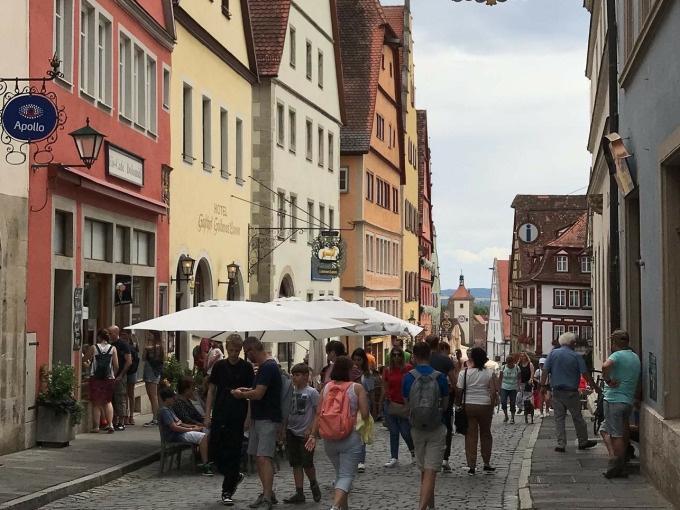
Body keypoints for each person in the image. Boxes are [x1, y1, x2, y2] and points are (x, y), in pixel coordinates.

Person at [306, 356, 369, 510]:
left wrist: (313, 435)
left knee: (340, 474)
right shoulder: (356, 388)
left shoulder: (326, 388)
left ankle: (343, 507)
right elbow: (366, 414)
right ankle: (335, 507)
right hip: (350, 438)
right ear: (349, 370)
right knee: (346, 476)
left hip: (329, 439)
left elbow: (319, 414)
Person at [231, 337, 282, 510]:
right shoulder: (262, 368)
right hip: (259, 418)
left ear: (253, 349)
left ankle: (267, 495)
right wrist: (247, 393)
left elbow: (259, 394)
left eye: (247, 353)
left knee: (263, 457)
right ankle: (267, 492)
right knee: (258, 457)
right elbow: (258, 392)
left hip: (268, 418)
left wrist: (242, 394)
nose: (247, 357)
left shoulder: (268, 367)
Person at [205, 334, 254, 506]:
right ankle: (234, 475)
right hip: (220, 412)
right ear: (226, 349)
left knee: (234, 451)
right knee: (216, 450)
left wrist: (248, 416)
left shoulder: (246, 368)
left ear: (240, 350)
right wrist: (207, 414)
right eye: (231, 350)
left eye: (236, 350)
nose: (233, 353)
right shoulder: (219, 366)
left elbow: (250, 395)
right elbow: (211, 390)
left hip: (238, 414)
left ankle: (227, 490)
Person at [402, 342, 448, 510]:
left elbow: (407, 405)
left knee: (425, 471)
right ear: (429, 355)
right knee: (431, 471)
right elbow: (445, 404)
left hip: (416, 428)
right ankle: (422, 508)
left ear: (414, 356)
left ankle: (430, 507)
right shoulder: (440, 377)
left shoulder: (408, 377)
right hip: (436, 427)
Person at [540, 332, 599, 452]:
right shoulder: (576, 356)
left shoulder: (552, 354)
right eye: (575, 342)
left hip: (557, 391)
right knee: (577, 417)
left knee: (559, 419)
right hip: (571, 392)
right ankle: (583, 441)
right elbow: (585, 373)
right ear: (572, 343)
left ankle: (561, 444)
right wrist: (595, 387)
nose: (575, 344)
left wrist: (542, 386)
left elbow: (545, 371)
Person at [600, 330, 641, 478]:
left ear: (614, 343)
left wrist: (608, 380)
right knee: (622, 431)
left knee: (614, 434)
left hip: (614, 400)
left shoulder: (616, 355)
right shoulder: (635, 357)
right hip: (628, 401)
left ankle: (616, 464)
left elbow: (605, 366)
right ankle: (620, 463)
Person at [281, 364, 322, 504]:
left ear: (306, 376)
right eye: (293, 375)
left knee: (307, 463)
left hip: (305, 434)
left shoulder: (312, 392)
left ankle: (313, 483)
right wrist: (284, 428)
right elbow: (287, 412)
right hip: (292, 431)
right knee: (295, 462)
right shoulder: (291, 392)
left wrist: (311, 429)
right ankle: (299, 492)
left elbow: (318, 413)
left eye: (297, 375)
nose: (294, 378)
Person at [457, 347, 498, 475]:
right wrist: (492, 405)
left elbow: (459, 390)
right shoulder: (489, 373)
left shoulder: (464, 373)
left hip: (469, 404)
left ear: (472, 358)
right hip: (485, 405)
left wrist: (458, 404)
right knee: (486, 434)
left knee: (470, 436)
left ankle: (472, 465)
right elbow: (493, 391)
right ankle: (486, 463)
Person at [158, 387, 213, 475]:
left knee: (206, 431)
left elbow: (180, 423)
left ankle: (204, 457)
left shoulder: (169, 409)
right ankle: (205, 465)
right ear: (167, 399)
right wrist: (191, 429)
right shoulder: (164, 411)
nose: (174, 399)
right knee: (203, 437)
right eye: (172, 398)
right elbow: (174, 427)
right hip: (175, 435)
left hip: (179, 433)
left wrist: (193, 426)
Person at [425, 335, 457, 473]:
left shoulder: (423, 360)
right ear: (438, 344)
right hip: (443, 398)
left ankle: (428, 457)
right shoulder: (445, 360)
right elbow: (454, 381)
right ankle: (445, 459)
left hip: (425, 398)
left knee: (426, 426)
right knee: (446, 428)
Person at [382, 346, 416, 468]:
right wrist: (384, 400)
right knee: (394, 432)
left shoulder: (408, 369)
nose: (396, 357)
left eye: (399, 355)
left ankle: (413, 452)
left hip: (403, 404)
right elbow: (384, 386)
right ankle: (394, 457)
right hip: (390, 403)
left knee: (406, 431)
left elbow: (412, 385)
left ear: (402, 356)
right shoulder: (387, 370)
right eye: (394, 355)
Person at [89, 329, 119, 433]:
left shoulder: (94, 347)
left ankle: (96, 427)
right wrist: (113, 374)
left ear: (99, 337)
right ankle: (110, 424)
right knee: (108, 401)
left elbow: (86, 360)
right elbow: (116, 365)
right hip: (109, 378)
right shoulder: (113, 348)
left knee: (96, 403)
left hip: (96, 377)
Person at [351, 348, 375, 473]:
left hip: (364, 406)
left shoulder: (367, 374)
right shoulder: (349, 373)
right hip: (351, 406)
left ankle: (361, 460)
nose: (356, 362)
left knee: (361, 433)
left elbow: (371, 392)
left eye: (359, 360)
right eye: (354, 359)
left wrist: (374, 409)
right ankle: (353, 459)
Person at [109, 325, 132, 431]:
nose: (109, 335)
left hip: (120, 376)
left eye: (110, 333)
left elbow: (129, 361)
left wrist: (121, 375)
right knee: (112, 398)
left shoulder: (123, 345)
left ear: (116, 333)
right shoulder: (110, 345)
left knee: (121, 398)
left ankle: (122, 422)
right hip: (111, 375)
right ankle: (114, 421)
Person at [142, 331, 164, 427]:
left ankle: (156, 418)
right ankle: (155, 417)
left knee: (153, 395)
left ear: (154, 335)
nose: (148, 336)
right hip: (149, 370)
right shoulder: (150, 346)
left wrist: (147, 349)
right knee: (150, 395)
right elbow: (143, 358)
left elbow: (155, 358)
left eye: (150, 334)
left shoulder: (158, 346)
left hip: (153, 371)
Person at [498, 354, 520, 423]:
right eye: (508, 363)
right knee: (503, 402)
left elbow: (519, 378)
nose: (510, 365)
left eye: (511, 363)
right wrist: (499, 388)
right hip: (504, 387)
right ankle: (506, 416)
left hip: (513, 388)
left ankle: (512, 418)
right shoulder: (503, 367)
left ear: (513, 362)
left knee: (512, 403)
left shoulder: (517, 368)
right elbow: (500, 378)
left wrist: (518, 386)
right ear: (506, 362)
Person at [125, 332, 140, 425]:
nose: (125, 335)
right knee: (125, 394)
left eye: (126, 334)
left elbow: (138, 348)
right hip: (127, 372)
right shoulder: (122, 344)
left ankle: (131, 416)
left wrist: (135, 337)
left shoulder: (133, 344)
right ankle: (126, 416)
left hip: (132, 372)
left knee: (130, 394)